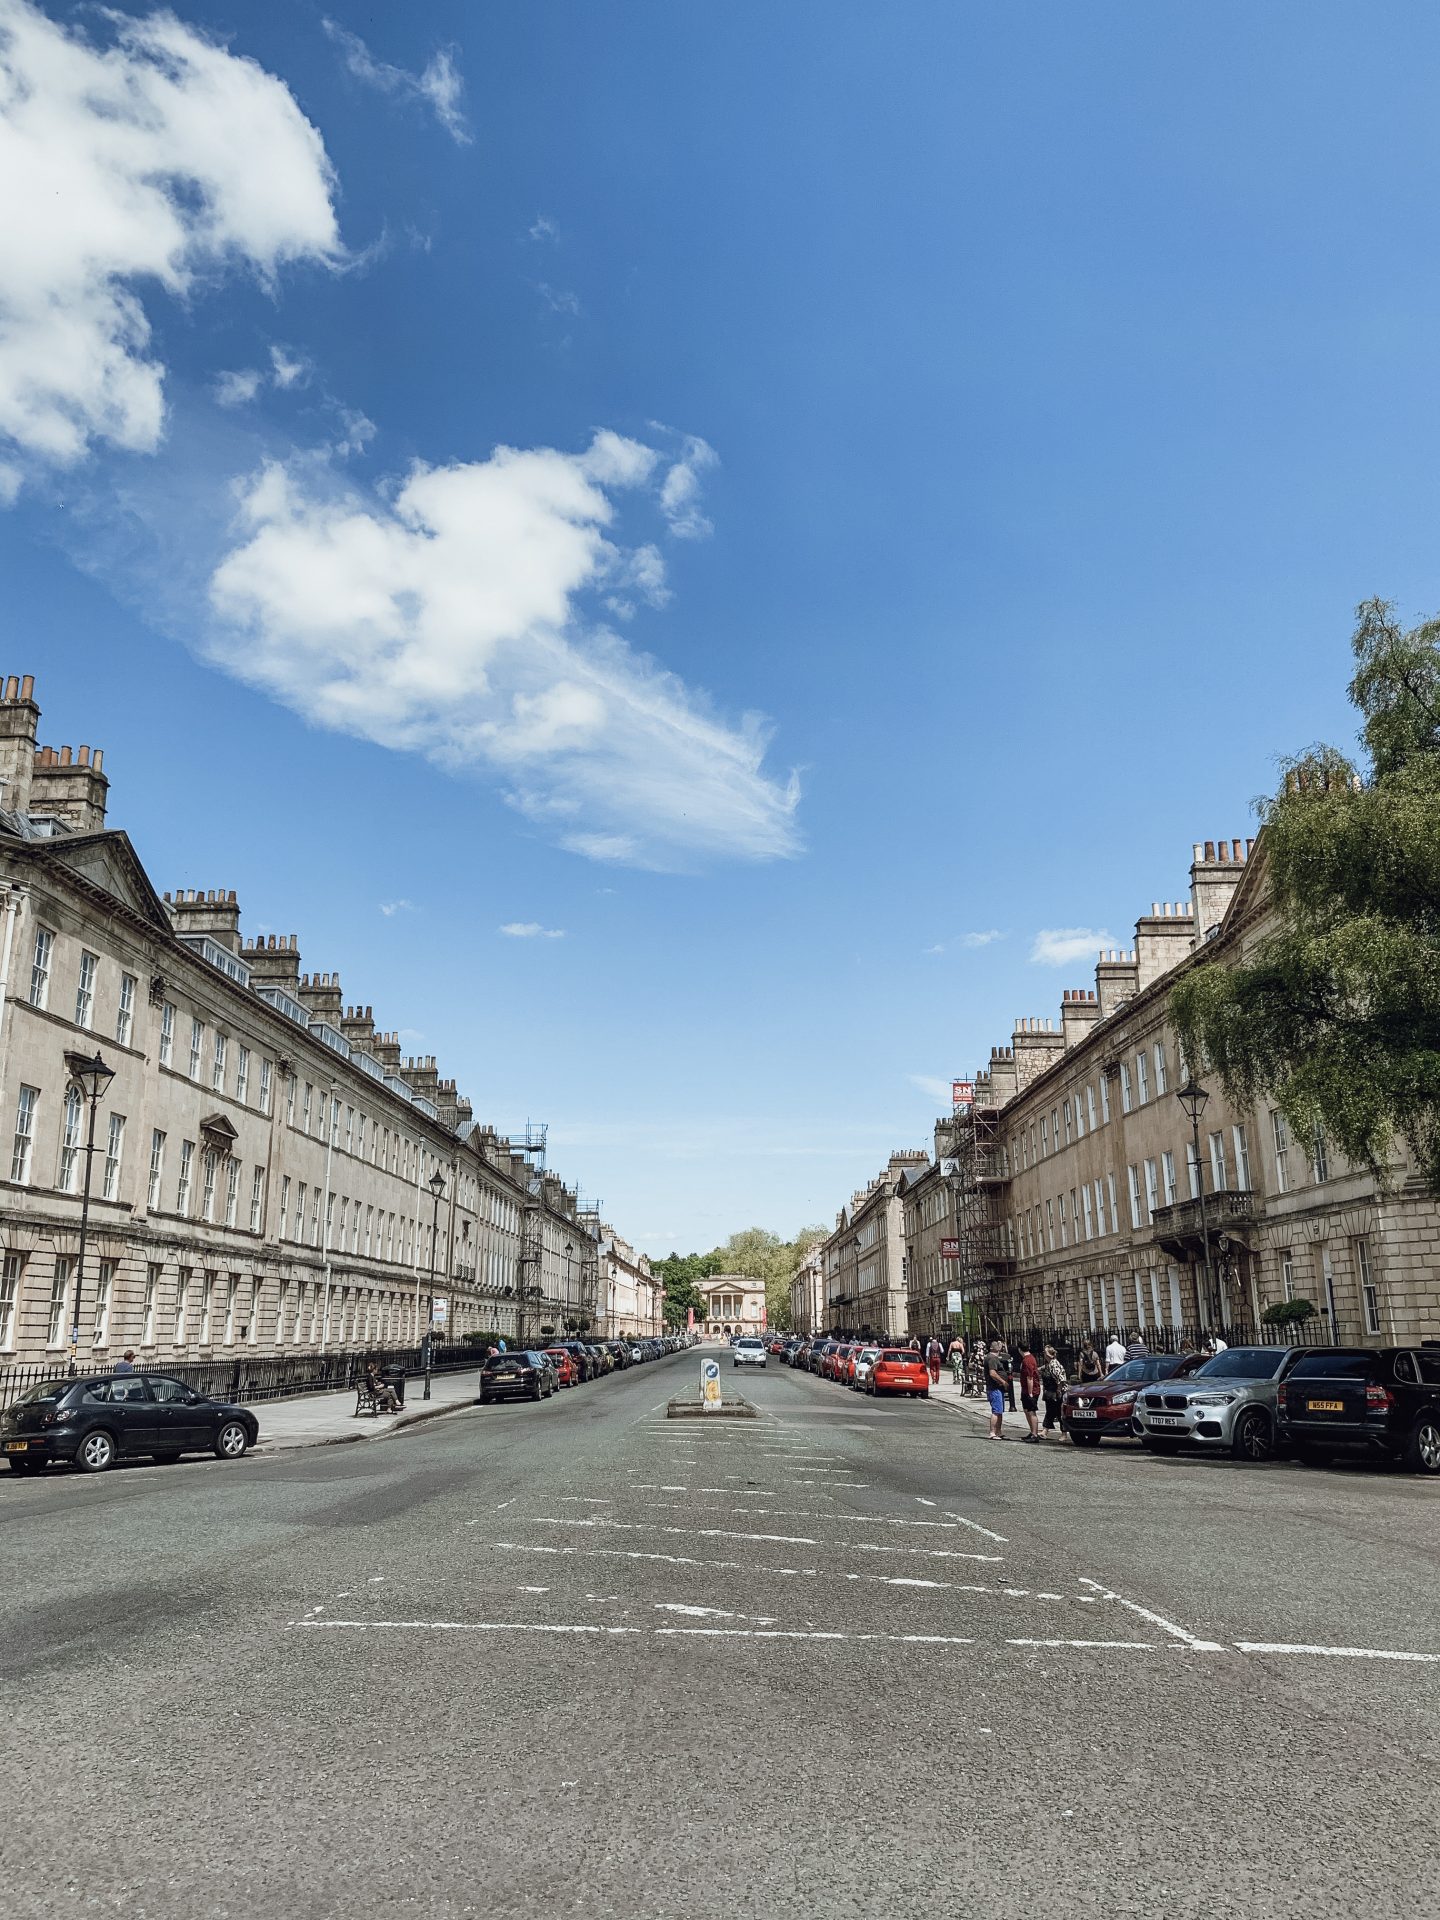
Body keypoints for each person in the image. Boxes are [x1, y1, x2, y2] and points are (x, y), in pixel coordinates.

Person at [985, 1343, 1010, 1441]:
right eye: (998, 1344)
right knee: (996, 1411)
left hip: (997, 1388)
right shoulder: (992, 1358)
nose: (1000, 1345)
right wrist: (1003, 1382)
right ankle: (992, 1432)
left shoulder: (992, 1357)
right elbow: (992, 1373)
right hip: (994, 1388)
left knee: (999, 1411)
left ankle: (998, 1431)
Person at [1040, 1344, 1067, 1434]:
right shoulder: (1049, 1363)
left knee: (1059, 1412)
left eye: (1044, 1352)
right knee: (1050, 1412)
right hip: (1050, 1391)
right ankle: (1045, 1431)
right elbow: (1043, 1368)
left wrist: (1058, 1390)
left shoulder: (1054, 1364)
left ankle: (1064, 1433)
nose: (1043, 1353)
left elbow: (1061, 1379)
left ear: (1048, 1354)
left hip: (1057, 1391)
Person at [1018, 1346, 1043, 1442]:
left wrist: (1030, 1392)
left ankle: (1035, 1434)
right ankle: (1032, 1431)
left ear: (1020, 1349)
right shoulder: (1027, 1358)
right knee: (1026, 1410)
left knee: (1031, 1411)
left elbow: (1030, 1377)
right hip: (1025, 1389)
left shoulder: (1027, 1360)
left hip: (1031, 1390)